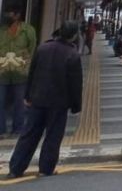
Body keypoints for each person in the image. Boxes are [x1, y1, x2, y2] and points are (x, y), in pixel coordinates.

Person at [6, 22, 83, 178]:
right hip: (59, 103)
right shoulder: (72, 55)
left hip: (38, 99)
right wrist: (76, 105)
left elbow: (31, 74)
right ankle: (45, 169)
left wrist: (27, 96)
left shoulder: (42, 48)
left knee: (29, 134)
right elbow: (76, 84)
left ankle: (16, 168)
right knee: (53, 136)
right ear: (74, 35)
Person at [0, 7, 37, 139]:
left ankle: (18, 129)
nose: (6, 16)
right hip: (2, 72)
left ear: (17, 15)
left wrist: (27, 67)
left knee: (20, 103)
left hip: (21, 73)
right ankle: (1, 130)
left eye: (9, 13)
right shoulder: (2, 31)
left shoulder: (28, 31)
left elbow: (31, 50)